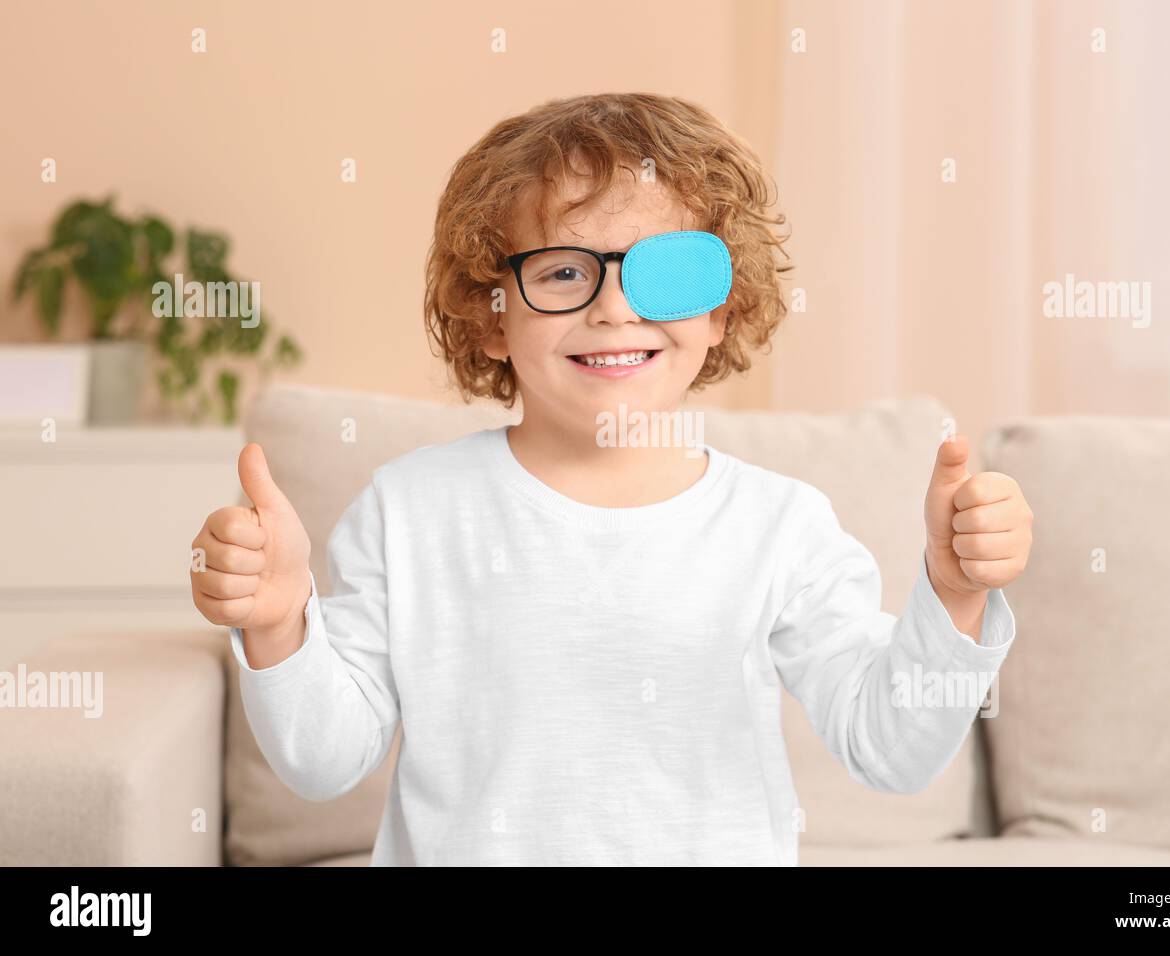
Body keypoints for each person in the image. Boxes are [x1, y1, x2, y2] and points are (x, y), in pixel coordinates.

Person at [189, 92, 1034, 866]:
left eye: (663, 273)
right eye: (562, 271)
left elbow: (892, 749)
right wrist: (278, 625)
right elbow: (322, 760)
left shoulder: (779, 526)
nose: (614, 308)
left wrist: (952, 596)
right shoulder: (409, 511)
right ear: (490, 316)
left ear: (721, 309)